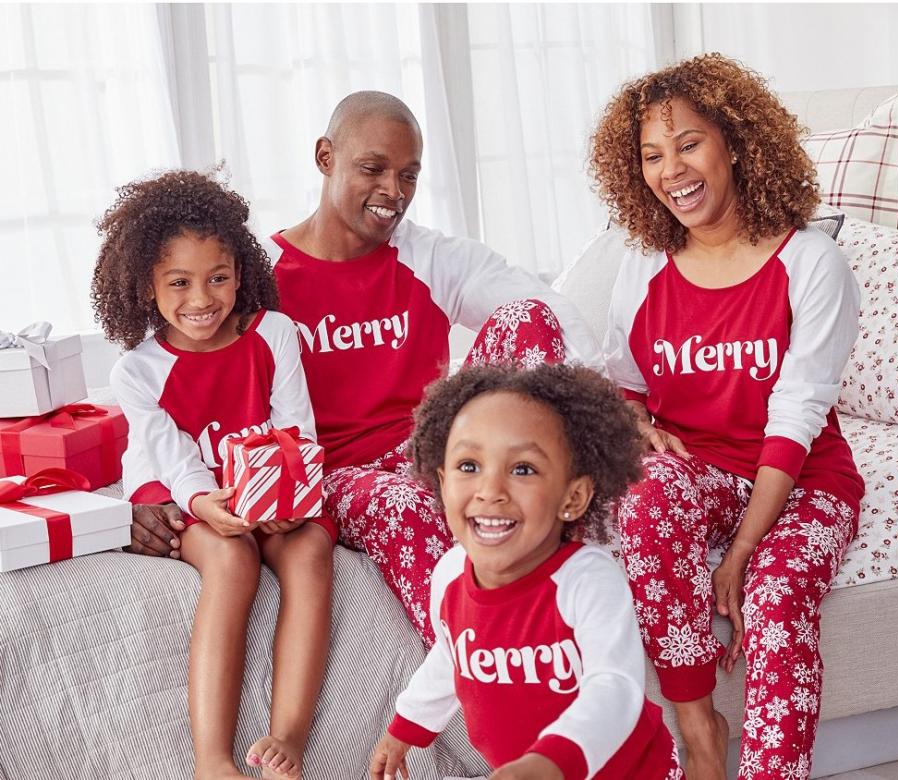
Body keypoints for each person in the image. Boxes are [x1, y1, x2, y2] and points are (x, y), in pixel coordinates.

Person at [126, 91, 602, 647]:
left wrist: (618, 403)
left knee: (528, 318)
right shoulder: (254, 275)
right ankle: (482, 655)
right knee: (405, 504)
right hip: (340, 475)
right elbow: (161, 379)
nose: (393, 192)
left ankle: (572, 575)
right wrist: (147, 490)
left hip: (437, 450)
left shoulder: (431, 258)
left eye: (409, 175)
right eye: (373, 168)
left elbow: (548, 314)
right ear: (325, 157)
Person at [589, 54, 865, 780]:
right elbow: (625, 384)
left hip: (802, 481)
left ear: (736, 142)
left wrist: (741, 551)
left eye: (688, 144)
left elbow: (798, 416)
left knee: (774, 600)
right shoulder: (644, 265)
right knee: (644, 503)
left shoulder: (810, 263)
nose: (670, 169)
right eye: (651, 154)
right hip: (701, 469)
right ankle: (698, 725)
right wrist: (635, 423)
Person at [92, 170, 335, 780]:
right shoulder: (138, 371)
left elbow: (296, 431)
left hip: (268, 484)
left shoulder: (274, 336)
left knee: (309, 548)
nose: (201, 299)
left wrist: (287, 497)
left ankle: (288, 739)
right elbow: (173, 459)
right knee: (232, 559)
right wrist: (206, 504)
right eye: (179, 282)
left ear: (241, 273)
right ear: (146, 287)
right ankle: (213, 762)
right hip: (184, 490)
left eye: (218, 278)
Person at [369, 363, 683, 780]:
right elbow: (451, 657)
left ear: (572, 496)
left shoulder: (587, 580)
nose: (490, 491)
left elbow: (615, 687)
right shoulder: (449, 576)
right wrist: (404, 728)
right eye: (468, 466)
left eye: (522, 469)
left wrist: (550, 761)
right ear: (443, 483)